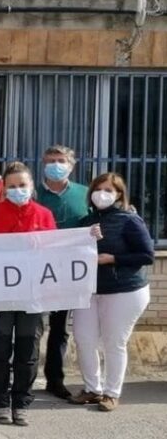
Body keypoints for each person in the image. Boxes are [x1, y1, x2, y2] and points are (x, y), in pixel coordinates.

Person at [0, 161, 56, 427]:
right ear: (4, 188)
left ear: (31, 187)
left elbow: (58, 252)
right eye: (12, 186)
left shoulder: (44, 215)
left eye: (22, 185)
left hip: (33, 295)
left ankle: (21, 402)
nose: (18, 190)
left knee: (27, 350)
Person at [70, 173, 153, 412]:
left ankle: (111, 393)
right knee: (84, 339)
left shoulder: (129, 220)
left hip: (124, 290)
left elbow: (146, 255)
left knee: (113, 342)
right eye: (98, 188)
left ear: (119, 195)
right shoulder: (85, 221)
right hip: (89, 290)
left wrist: (113, 259)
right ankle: (91, 389)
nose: (102, 194)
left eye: (109, 190)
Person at [35, 145, 90, 401]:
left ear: (72, 165)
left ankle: (55, 379)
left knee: (59, 328)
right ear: (42, 164)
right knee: (32, 326)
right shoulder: (31, 193)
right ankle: (24, 376)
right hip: (33, 271)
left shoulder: (86, 194)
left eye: (61, 160)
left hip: (69, 273)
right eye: (50, 160)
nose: (55, 165)